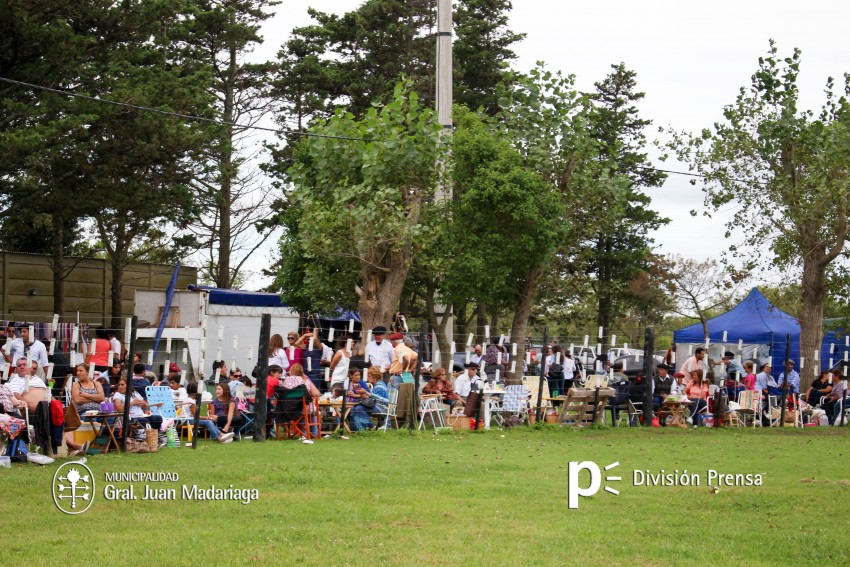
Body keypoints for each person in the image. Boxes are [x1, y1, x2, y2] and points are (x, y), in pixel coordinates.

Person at [279, 363, 320, 440]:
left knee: (303, 409)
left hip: (288, 409)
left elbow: (282, 393)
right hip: (303, 408)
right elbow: (316, 394)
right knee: (312, 410)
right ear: (302, 371)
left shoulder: (286, 381)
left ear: (291, 371)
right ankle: (314, 434)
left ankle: (303, 434)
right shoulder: (305, 380)